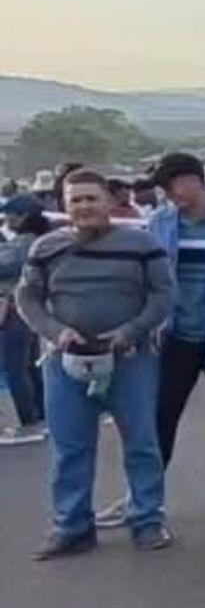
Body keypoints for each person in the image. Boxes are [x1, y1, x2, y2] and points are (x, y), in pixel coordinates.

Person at [15, 169, 175, 558]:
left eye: (92, 198)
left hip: (129, 359)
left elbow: (164, 294)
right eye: (76, 200)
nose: (84, 206)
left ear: (108, 202)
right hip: (65, 361)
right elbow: (27, 298)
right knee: (70, 447)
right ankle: (72, 527)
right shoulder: (45, 247)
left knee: (141, 442)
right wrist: (55, 332)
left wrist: (131, 331)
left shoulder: (142, 244)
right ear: (64, 205)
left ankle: (147, 520)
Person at [96, 153, 205, 527]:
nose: (169, 195)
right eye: (164, 189)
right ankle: (142, 494)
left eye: (173, 186)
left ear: (196, 181)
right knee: (160, 417)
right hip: (174, 336)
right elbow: (147, 279)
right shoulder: (161, 222)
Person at [0, 195, 51, 444]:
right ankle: (40, 413)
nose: (6, 220)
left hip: (13, 310)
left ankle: (29, 418)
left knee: (15, 369)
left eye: (10, 215)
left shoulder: (24, 244)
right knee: (30, 366)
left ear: (23, 217)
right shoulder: (38, 241)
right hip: (28, 310)